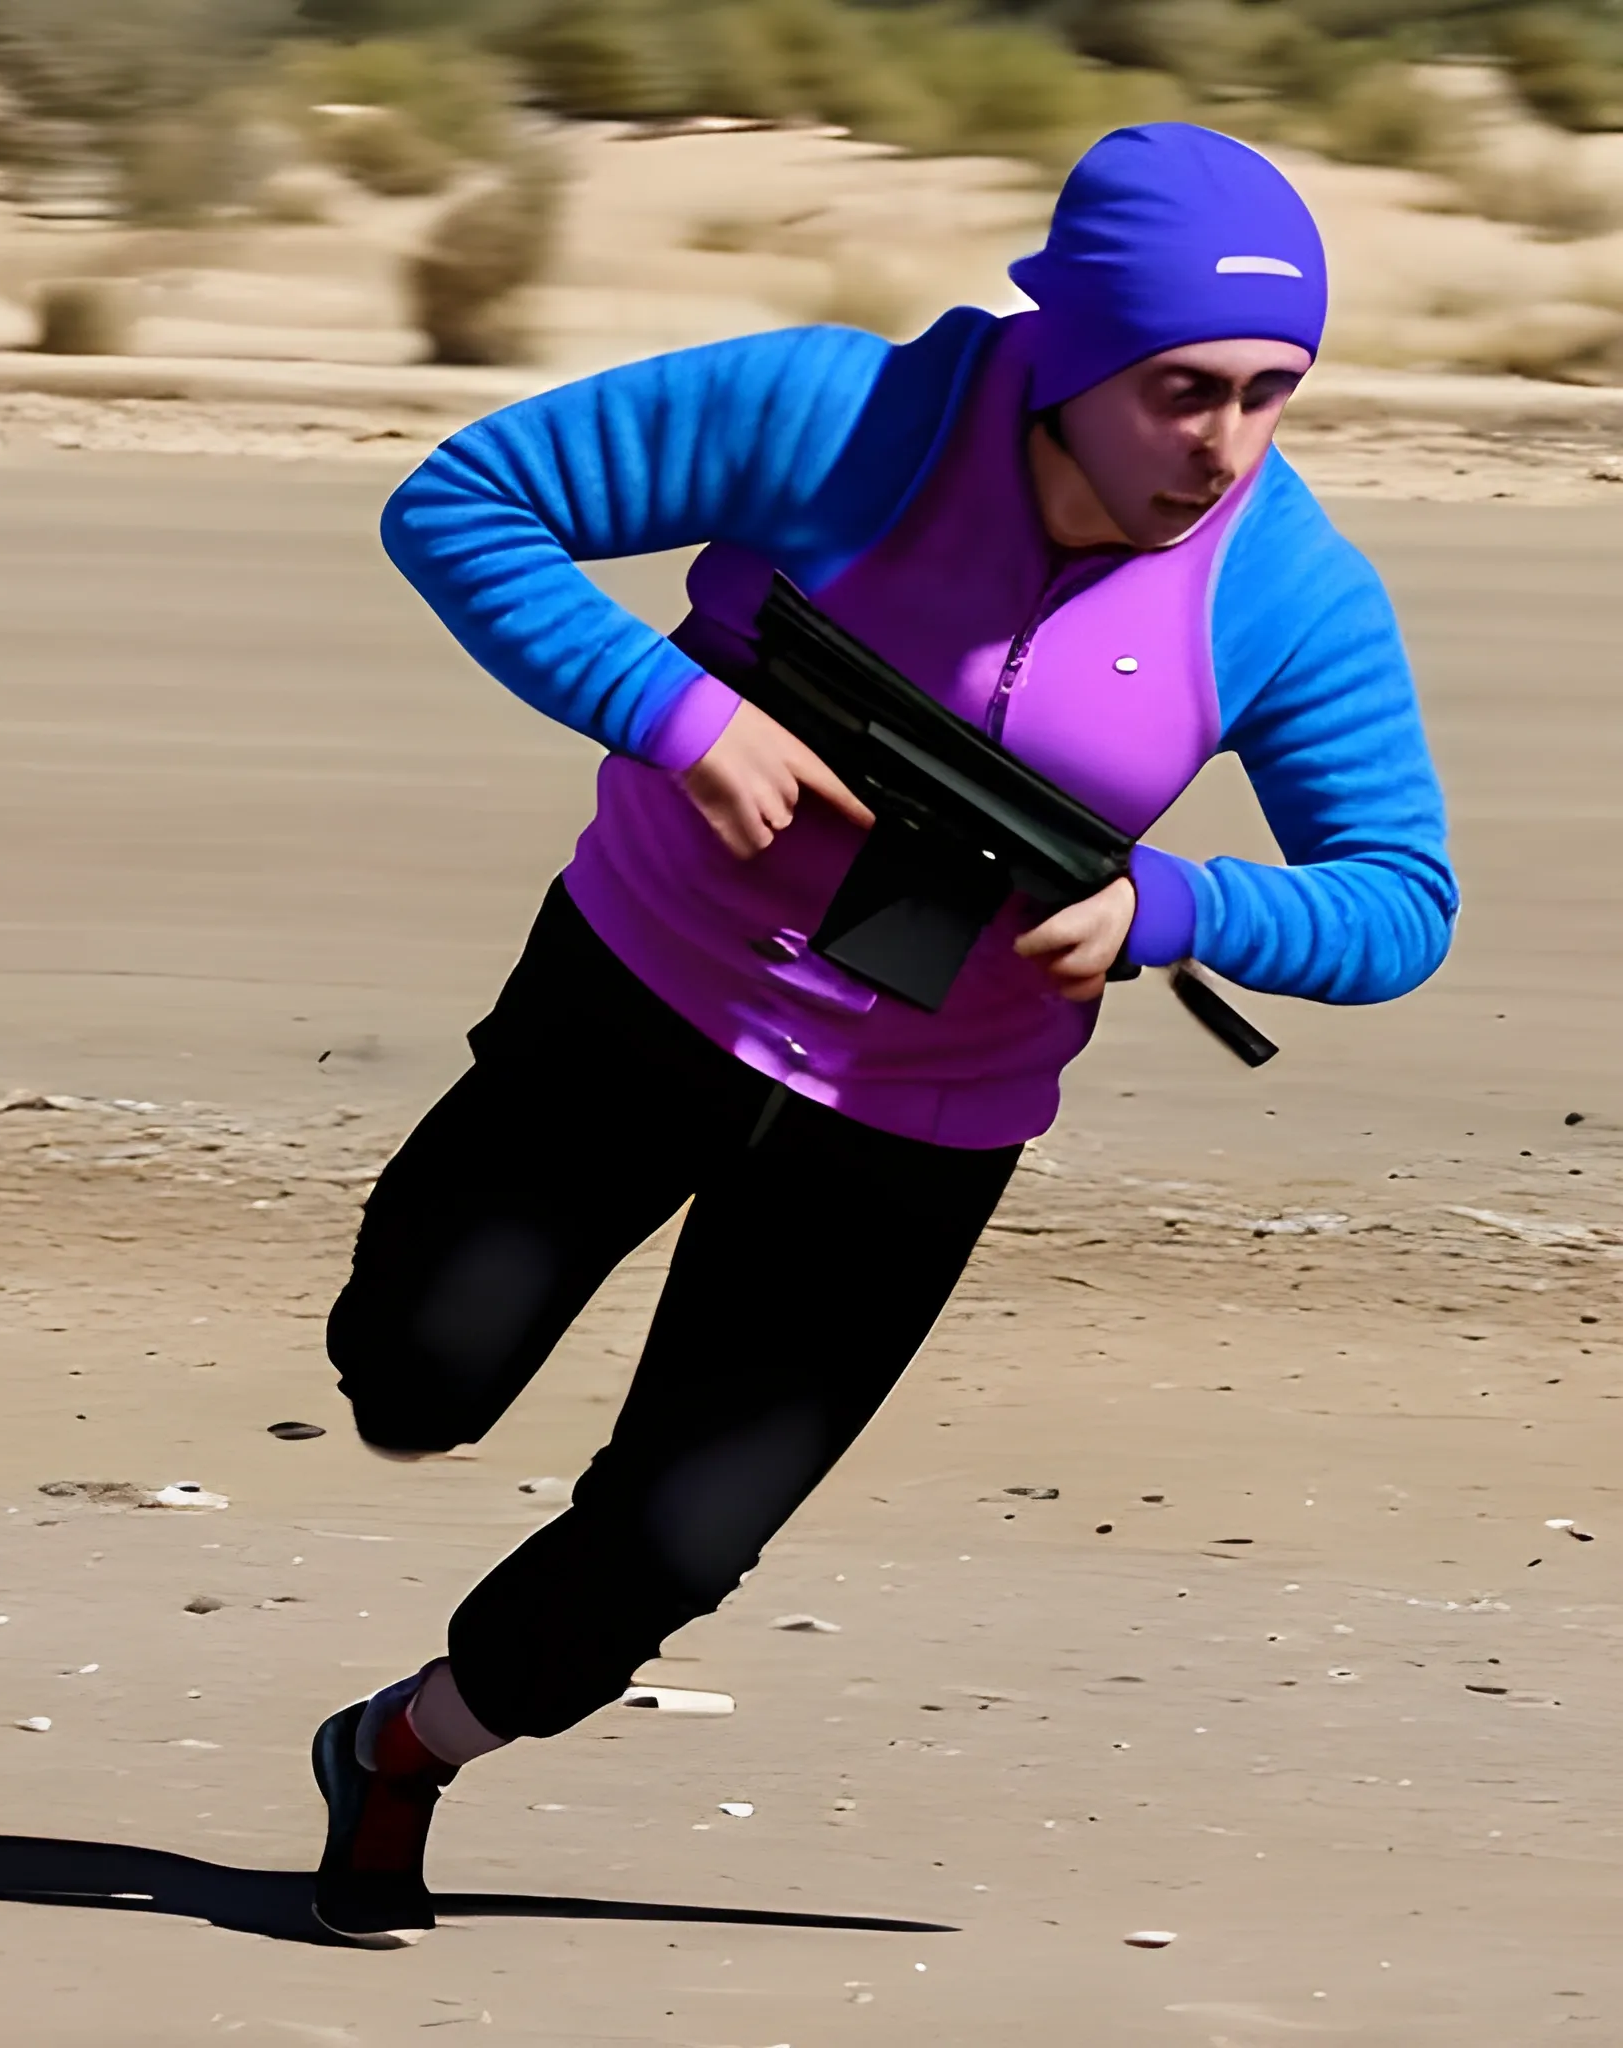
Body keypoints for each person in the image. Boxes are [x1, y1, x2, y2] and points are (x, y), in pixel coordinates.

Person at [305, 122, 1458, 1943]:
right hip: (644, 992)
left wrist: (1178, 908)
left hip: (921, 1119)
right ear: (1073, 355)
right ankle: (425, 1339)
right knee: (416, 1379)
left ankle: (404, 1750)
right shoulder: (833, 418)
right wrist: (680, 716)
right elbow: (459, 501)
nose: (1223, 448)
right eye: (1179, 391)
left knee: (673, 1549)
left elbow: (1404, 899)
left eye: (1271, 394)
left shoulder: (1282, 586)